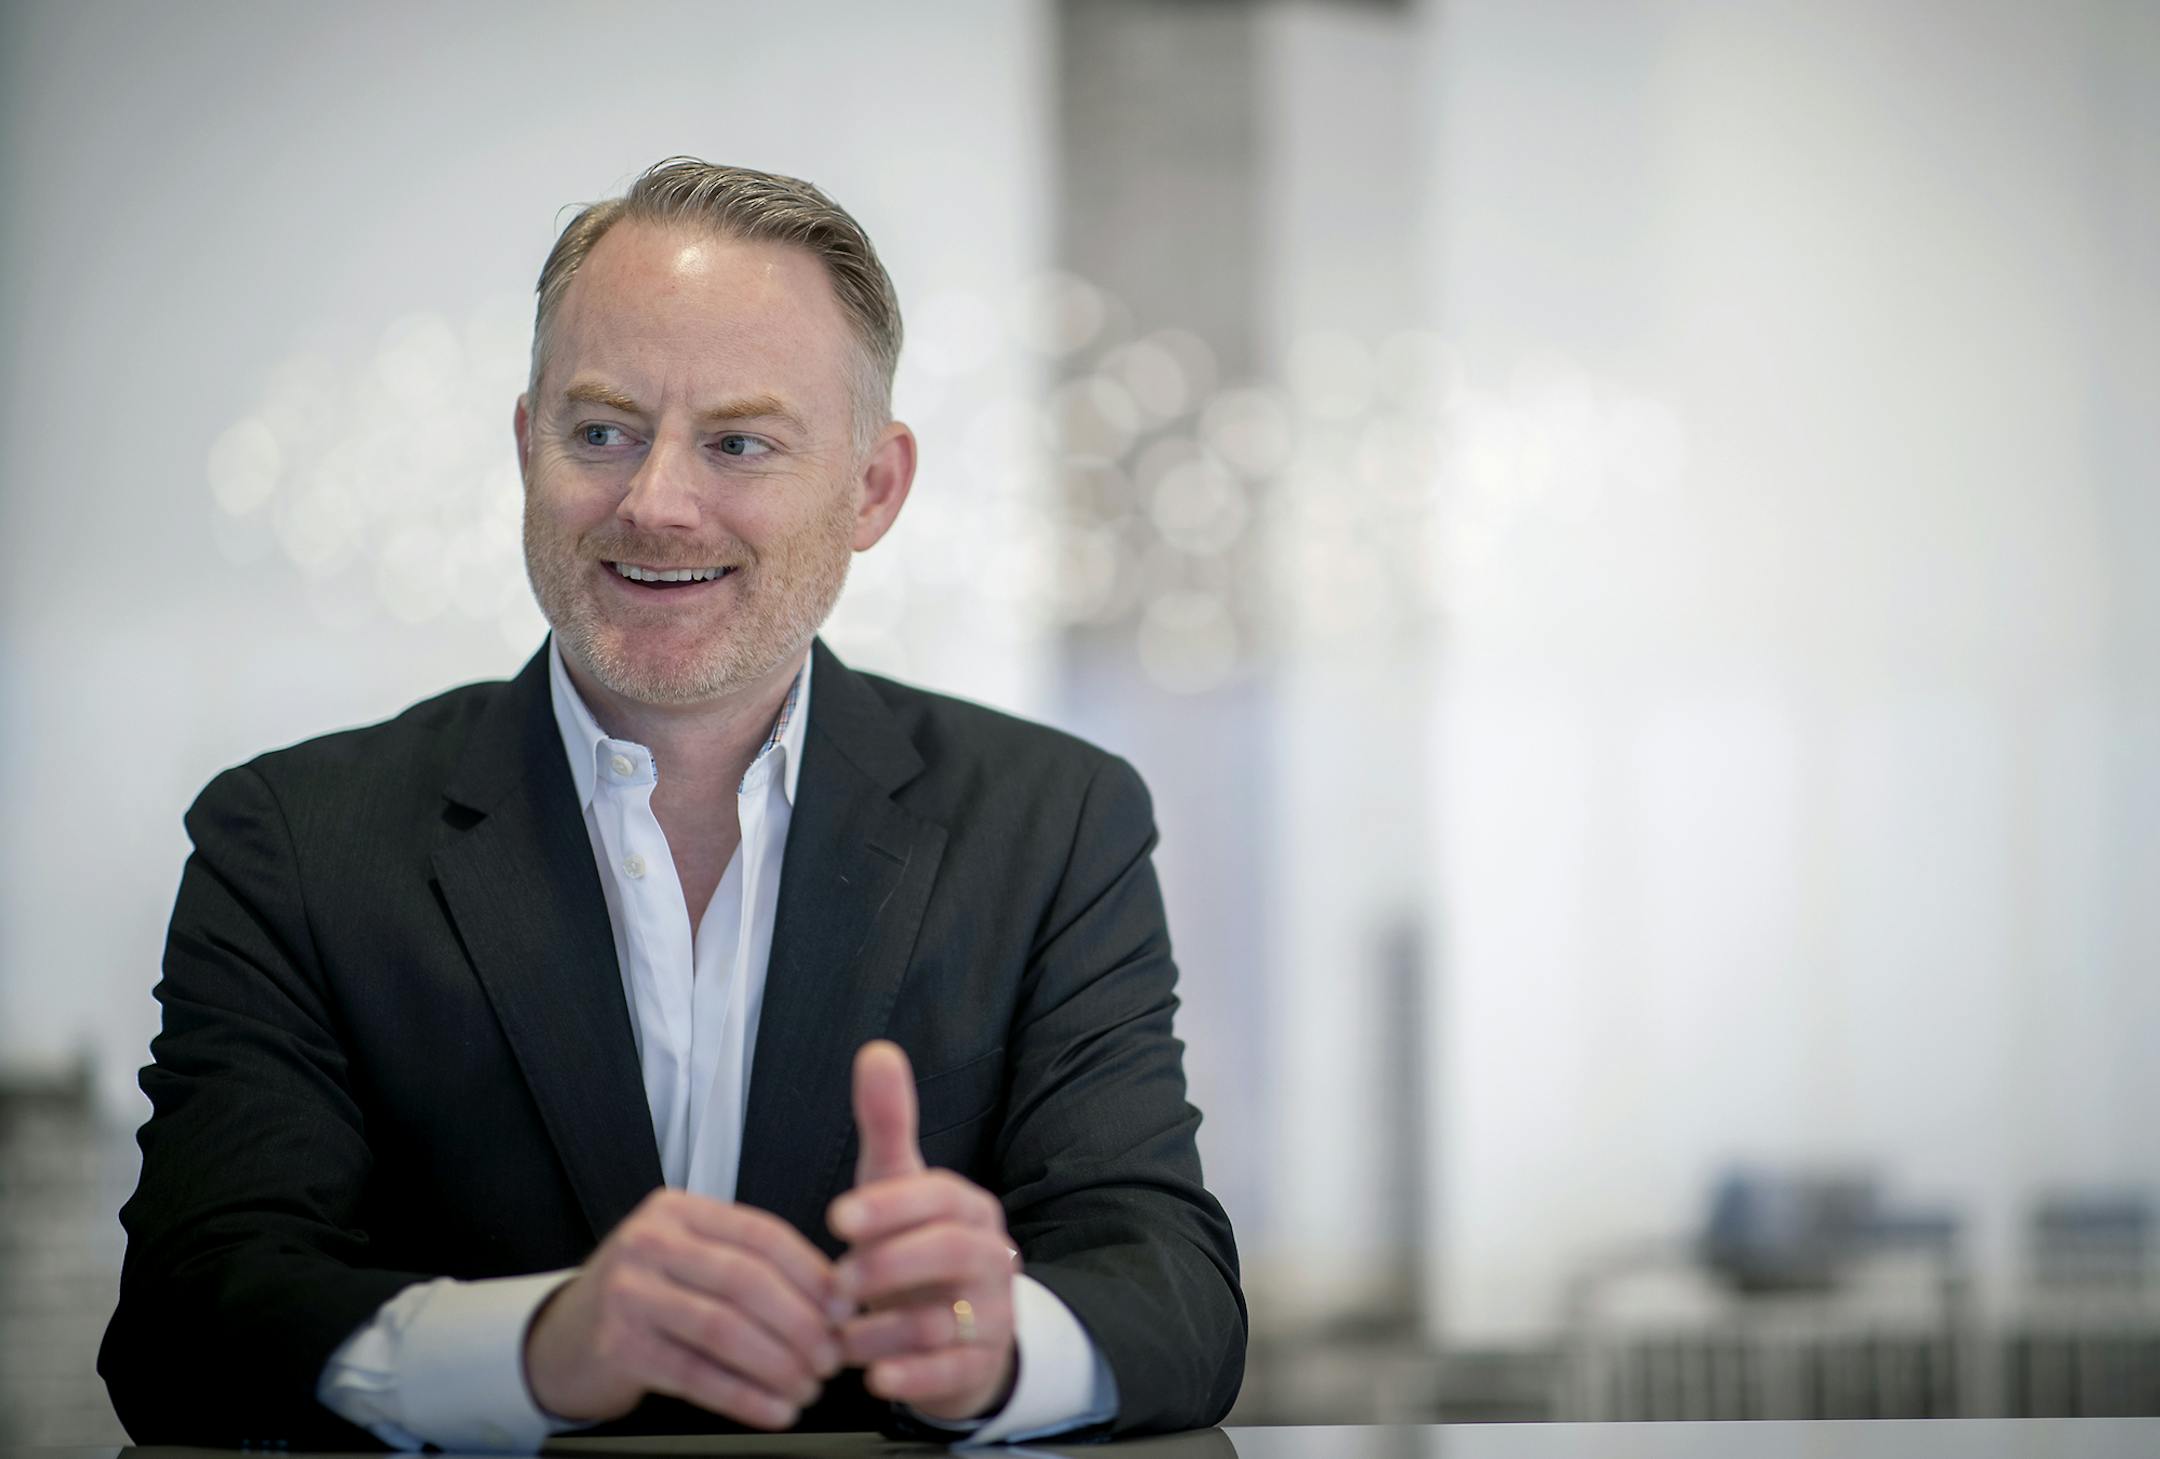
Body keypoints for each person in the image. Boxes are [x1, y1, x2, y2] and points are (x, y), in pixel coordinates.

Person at [98, 159, 1244, 1449]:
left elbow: (1173, 1289)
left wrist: (991, 1343)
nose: (655, 501)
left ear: (874, 489)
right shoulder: (295, 844)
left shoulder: (1054, 824)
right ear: (525, 443)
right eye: (601, 432)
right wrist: (536, 1348)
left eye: (739, 442)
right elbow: (188, 1323)